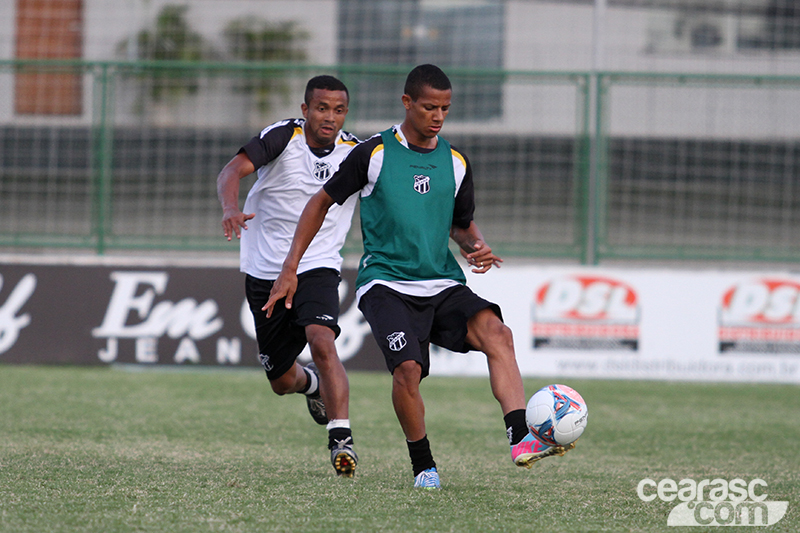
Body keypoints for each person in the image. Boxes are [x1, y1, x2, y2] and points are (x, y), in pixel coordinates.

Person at [264, 65, 574, 489]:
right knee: (407, 370)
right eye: (430, 106)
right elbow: (319, 204)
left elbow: (461, 224)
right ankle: (423, 466)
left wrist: (475, 245)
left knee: (498, 335)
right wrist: (290, 268)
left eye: (445, 108)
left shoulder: (456, 162)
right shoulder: (373, 153)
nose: (438, 116)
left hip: (443, 282)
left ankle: (520, 438)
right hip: (387, 284)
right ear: (407, 102)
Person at [216, 75, 359, 477]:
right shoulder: (283, 137)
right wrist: (230, 207)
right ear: (305, 110)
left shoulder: (357, 152)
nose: (329, 117)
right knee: (281, 380)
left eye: (338, 110)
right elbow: (231, 171)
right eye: (321, 108)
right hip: (265, 270)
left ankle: (341, 438)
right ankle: (312, 387)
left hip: (317, 264)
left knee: (321, 339)